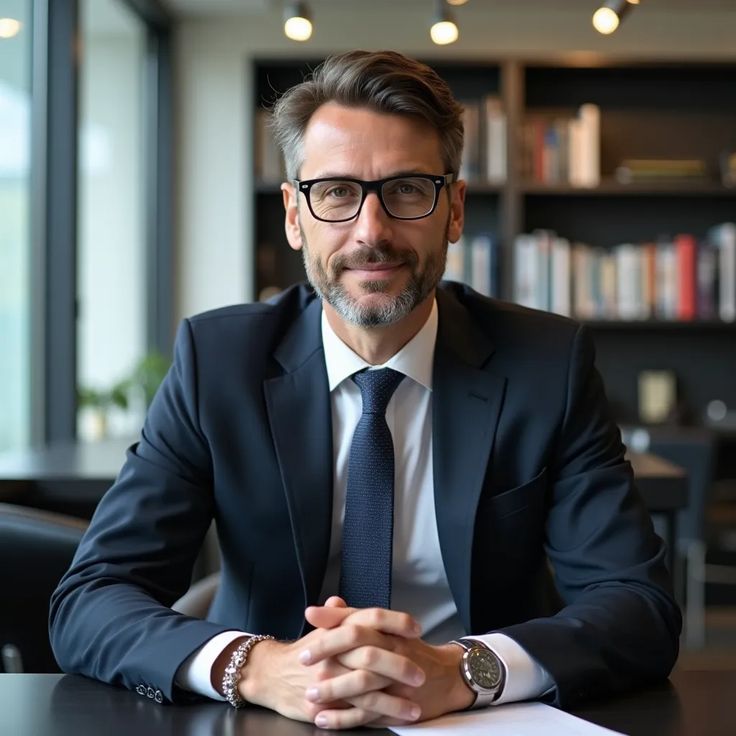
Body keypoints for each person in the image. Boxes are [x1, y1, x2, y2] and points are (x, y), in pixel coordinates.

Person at [50, 50, 681, 730]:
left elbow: (637, 604)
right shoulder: (218, 361)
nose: (371, 232)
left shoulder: (544, 365)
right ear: (295, 214)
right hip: (269, 718)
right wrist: (258, 666)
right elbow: (92, 597)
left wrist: (468, 670)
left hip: (473, 719)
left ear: (455, 209)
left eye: (408, 190)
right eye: (336, 192)